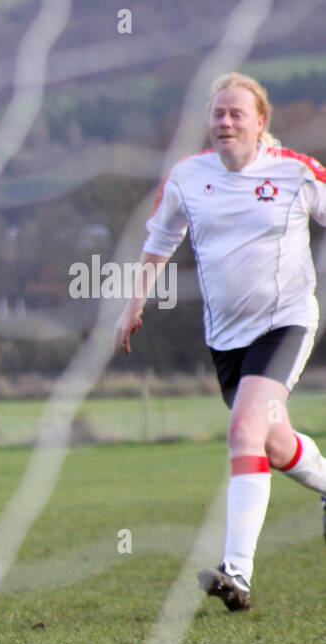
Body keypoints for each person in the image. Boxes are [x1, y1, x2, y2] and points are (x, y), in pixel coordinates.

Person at [114, 72, 326, 611]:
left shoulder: (294, 173)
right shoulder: (187, 177)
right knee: (273, 444)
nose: (225, 121)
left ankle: (238, 571)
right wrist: (133, 304)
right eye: (218, 114)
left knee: (243, 429)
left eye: (237, 113)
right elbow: (159, 241)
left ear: (261, 122)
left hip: (286, 322)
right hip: (227, 339)